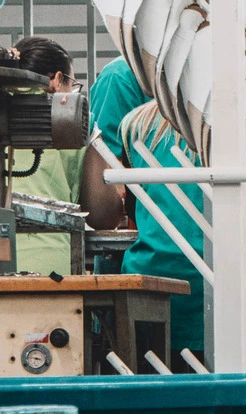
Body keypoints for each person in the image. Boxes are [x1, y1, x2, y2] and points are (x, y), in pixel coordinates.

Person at [89, 57, 206, 369]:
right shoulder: (237, 126)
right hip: (223, 280)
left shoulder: (136, 125)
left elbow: (114, 195)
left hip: (151, 280)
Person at [7, 36, 123, 275]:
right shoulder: (74, 121)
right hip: (51, 271)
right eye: (72, 84)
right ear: (58, 80)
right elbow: (105, 215)